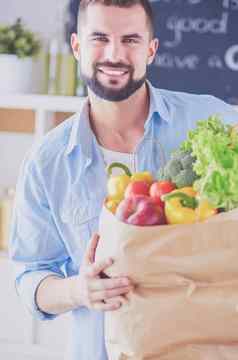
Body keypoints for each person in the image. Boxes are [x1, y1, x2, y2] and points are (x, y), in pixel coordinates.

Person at [9, 0, 238, 359]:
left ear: (151, 50)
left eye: (131, 40)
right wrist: (78, 291)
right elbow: (30, 278)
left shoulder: (211, 119)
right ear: (77, 46)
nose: (114, 54)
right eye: (100, 38)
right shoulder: (47, 163)